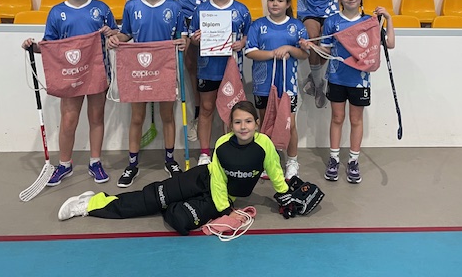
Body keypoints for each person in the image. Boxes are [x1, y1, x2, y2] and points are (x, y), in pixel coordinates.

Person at [57, 101, 290, 236]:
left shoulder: (264, 145)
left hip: (221, 198)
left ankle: (171, 204)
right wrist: (226, 211)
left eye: (248, 121)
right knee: (151, 198)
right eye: (238, 122)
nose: (243, 127)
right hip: (204, 180)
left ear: (257, 124)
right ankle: (90, 203)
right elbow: (218, 180)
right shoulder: (223, 144)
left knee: (180, 221)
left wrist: (285, 195)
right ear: (231, 125)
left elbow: (275, 171)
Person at [21, 0, 118, 186]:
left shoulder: (101, 8)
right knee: (68, 120)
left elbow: (116, 35)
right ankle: (64, 164)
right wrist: (32, 46)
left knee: (96, 117)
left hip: (97, 71)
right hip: (71, 74)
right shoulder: (57, 12)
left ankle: (95, 162)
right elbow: (50, 46)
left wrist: (110, 33)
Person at [300, 0, 394, 184]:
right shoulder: (332, 21)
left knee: (356, 120)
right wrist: (311, 46)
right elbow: (326, 50)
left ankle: (353, 161)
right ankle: (333, 159)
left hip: (360, 81)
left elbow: (390, 44)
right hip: (337, 78)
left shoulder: (369, 22)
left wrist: (388, 18)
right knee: (337, 118)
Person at [107, 0, 187, 188]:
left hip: (165, 68)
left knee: (167, 116)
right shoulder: (132, 6)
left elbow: (183, 38)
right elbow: (126, 34)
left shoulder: (174, 7)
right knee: (137, 117)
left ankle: (170, 160)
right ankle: (132, 164)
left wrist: (185, 43)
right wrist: (115, 39)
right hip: (138, 70)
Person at [188, 0, 251, 165]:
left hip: (232, 69)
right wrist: (196, 40)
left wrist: (242, 42)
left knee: (232, 112)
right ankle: (205, 153)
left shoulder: (241, 10)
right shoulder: (202, 10)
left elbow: (250, 35)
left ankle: (230, 152)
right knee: (206, 109)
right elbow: (193, 38)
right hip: (208, 69)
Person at [244, 0, 309, 180]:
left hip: (288, 85)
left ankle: (292, 162)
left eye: (280, 0)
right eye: (271, 0)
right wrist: (273, 53)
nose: (275, 4)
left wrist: (289, 48)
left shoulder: (297, 26)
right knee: (266, 123)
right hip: (263, 84)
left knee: (289, 123)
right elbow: (250, 52)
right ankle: (268, 161)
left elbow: (304, 54)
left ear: (287, 4)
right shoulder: (258, 25)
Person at [164, 0, 213, 142]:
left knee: (204, 66)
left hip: (200, 19)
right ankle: (197, 112)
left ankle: (205, 113)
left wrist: (213, 17)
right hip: (181, 21)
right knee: (190, 66)